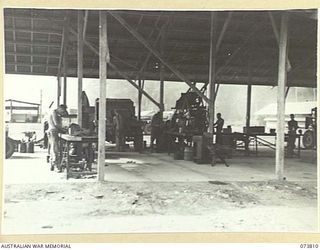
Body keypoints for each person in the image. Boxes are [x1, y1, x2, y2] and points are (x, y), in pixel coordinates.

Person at [47, 104, 68, 171]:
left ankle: (52, 164)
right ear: (59, 108)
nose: (62, 112)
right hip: (53, 132)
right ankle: (56, 165)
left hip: (54, 131)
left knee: (53, 148)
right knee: (55, 148)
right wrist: (63, 130)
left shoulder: (56, 113)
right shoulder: (54, 113)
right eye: (62, 111)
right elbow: (56, 124)